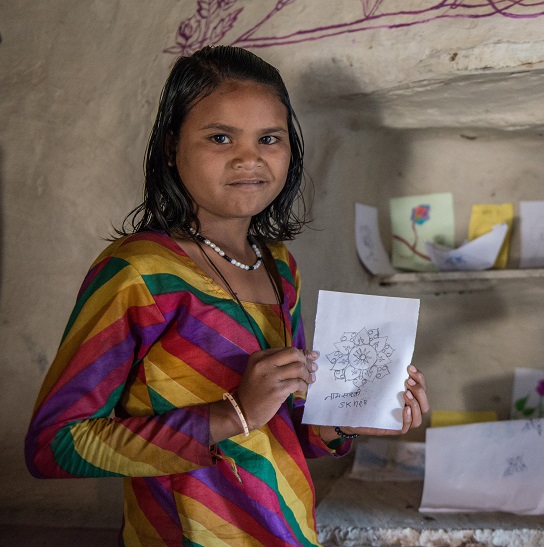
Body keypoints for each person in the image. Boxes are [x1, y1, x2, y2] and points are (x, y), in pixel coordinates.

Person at [25, 45, 430, 546]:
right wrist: (229, 414)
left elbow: (284, 427)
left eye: (269, 138)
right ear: (172, 147)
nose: (249, 158)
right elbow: (54, 445)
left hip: (288, 533)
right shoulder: (138, 273)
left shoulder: (280, 266)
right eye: (220, 137)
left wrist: (354, 419)